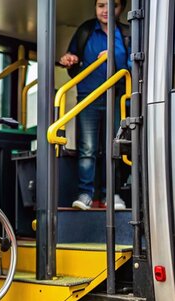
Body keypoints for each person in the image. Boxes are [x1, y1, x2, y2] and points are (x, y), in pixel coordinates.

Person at [59, 0, 130, 210]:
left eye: (113, 5)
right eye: (101, 5)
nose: (106, 10)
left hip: (117, 98)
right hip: (88, 97)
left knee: (114, 147)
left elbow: (134, 66)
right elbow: (75, 63)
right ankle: (86, 194)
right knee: (87, 148)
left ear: (121, 9)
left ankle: (113, 194)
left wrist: (113, 61)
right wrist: (70, 59)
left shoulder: (127, 33)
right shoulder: (85, 31)